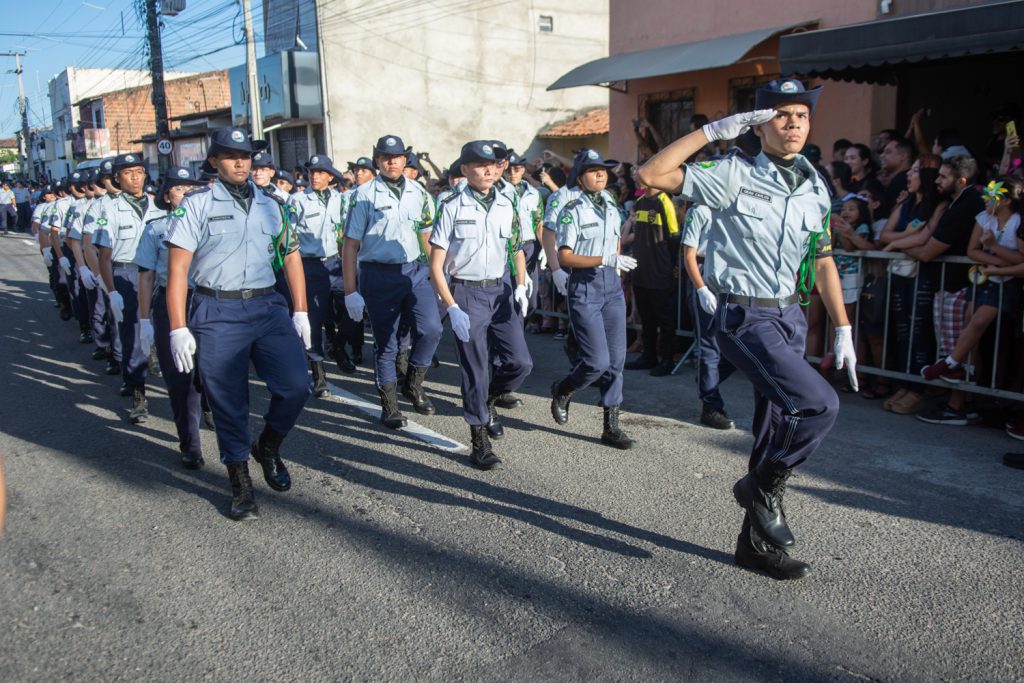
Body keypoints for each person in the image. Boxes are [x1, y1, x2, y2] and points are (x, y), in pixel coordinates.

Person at [639, 79, 857, 581]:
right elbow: (652, 173)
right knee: (818, 405)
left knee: (775, 427)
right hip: (744, 316)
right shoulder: (732, 172)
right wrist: (711, 132)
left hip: (789, 316)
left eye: (801, 115)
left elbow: (822, 260)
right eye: (781, 115)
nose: (794, 123)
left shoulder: (814, 184)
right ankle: (760, 485)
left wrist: (842, 326)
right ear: (759, 124)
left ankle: (754, 546)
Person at [164, 126, 312, 521]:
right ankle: (240, 482)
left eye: (246, 156)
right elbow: (178, 271)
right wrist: (177, 326)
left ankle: (268, 445)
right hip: (218, 311)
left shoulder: (273, 205)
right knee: (229, 403)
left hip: (267, 307)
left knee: (296, 386)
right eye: (231, 156)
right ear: (214, 161)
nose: (241, 162)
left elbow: (292, 256)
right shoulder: (195, 205)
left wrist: (301, 310)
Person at [429, 140, 533, 469]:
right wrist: (452, 306)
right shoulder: (451, 205)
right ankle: (479, 439)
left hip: (500, 289)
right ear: (465, 170)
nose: (488, 170)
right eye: (479, 165)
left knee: (520, 362)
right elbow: (436, 264)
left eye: (493, 165)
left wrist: (520, 281)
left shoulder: (507, 202)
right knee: (475, 368)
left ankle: (488, 400)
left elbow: (516, 246)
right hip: (467, 293)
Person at [343, 135, 442, 428]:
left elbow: (426, 237)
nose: (392, 162)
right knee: (386, 343)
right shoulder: (363, 195)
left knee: (432, 329)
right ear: (377, 160)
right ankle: (390, 405)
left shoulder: (419, 192)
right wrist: (351, 291)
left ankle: (412, 383)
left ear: (405, 159)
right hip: (378, 273)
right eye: (386, 157)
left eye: (397, 156)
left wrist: (438, 280)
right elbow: (350, 245)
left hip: (414, 271)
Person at [550, 149, 637, 451]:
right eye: (592, 170)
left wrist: (616, 264)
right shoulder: (572, 210)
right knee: (596, 362)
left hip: (611, 286)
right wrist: (606, 257)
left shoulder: (612, 205)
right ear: (579, 176)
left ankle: (611, 426)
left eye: (603, 170)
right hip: (585, 287)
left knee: (616, 361)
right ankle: (563, 389)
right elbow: (565, 255)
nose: (600, 174)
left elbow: (614, 238)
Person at [918, 178, 1024, 424]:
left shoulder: (1018, 223)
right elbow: (972, 251)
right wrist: (997, 262)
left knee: (979, 323)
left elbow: (1021, 259)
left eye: (992, 197)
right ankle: (959, 392)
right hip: (983, 281)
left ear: (1007, 201)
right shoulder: (983, 219)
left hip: (1008, 285)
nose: (986, 200)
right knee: (971, 332)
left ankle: (950, 362)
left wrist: (994, 254)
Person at [890, 155, 985, 418]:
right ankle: (957, 403)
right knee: (952, 350)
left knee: (958, 350)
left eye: (943, 176)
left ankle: (959, 406)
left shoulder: (967, 205)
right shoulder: (953, 203)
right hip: (950, 287)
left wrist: (897, 246)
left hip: (959, 287)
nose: (938, 181)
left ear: (961, 180)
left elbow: (928, 251)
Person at [135, 166, 208, 468]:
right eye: (180, 189)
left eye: (192, 188)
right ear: (167, 196)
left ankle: (210, 406)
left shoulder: (209, 222)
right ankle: (190, 442)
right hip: (171, 301)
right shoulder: (156, 228)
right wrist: (143, 320)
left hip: (207, 300)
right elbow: (146, 277)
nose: (187, 193)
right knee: (181, 378)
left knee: (211, 371)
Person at [93, 153, 166, 423]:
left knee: (165, 326)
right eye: (128, 173)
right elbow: (103, 254)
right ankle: (138, 392)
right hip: (127, 273)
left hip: (158, 272)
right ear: (117, 178)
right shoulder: (109, 209)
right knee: (132, 335)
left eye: (139, 171)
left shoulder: (160, 205)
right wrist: (111, 291)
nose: (135, 177)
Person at [287, 154, 351, 394]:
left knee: (350, 309)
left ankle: (337, 343)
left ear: (330, 177)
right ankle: (319, 373)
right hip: (309, 265)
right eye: (312, 172)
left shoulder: (342, 200)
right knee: (313, 319)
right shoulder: (297, 201)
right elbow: (289, 237)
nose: (314, 176)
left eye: (320, 172)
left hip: (336, 263)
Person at [681, 203, 736, 429]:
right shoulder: (700, 210)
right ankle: (711, 406)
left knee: (740, 345)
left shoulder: (735, 206)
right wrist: (701, 288)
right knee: (710, 347)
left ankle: (707, 380)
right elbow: (689, 253)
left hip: (734, 280)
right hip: (707, 278)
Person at [624, 182, 680, 376]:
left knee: (665, 319)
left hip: (660, 271)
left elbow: (674, 236)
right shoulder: (639, 203)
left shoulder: (665, 201)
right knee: (647, 318)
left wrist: (671, 265)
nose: (638, 178)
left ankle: (666, 360)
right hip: (641, 271)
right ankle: (649, 356)